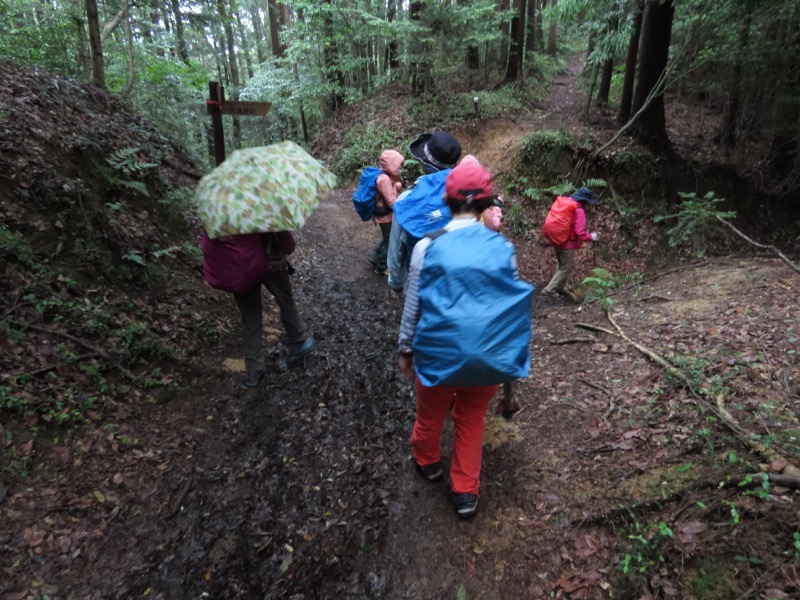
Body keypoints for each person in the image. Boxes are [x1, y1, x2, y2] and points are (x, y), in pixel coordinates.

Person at [397, 161, 524, 519]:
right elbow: (509, 313)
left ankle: (428, 461)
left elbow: (413, 306)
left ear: (447, 199)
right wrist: (510, 374)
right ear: (487, 204)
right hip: (486, 358)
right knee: (471, 419)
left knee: (431, 414)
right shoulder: (503, 250)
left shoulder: (426, 247)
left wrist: (406, 349)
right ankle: (465, 493)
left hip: (436, 355)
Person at [232, 232, 314, 387]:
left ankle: (254, 371)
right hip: (272, 264)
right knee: (286, 302)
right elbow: (288, 246)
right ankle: (299, 339)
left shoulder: (222, 216)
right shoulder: (265, 210)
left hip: (240, 268)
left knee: (250, 319)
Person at [387, 131, 462, 293]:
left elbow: (396, 250)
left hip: (419, 285)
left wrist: (395, 281)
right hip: (456, 286)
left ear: (424, 163)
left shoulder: (406, 201)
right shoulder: (467, 196)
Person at [540, 187, 599, 296]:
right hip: (567, 242)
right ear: (585, 201)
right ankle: (549, 289)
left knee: (561, 265)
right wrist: (591, 237)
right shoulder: (578, 210)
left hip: (555, 238)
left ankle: (559, 287)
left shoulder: (564, 203)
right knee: (565, 268)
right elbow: (580, 232)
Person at [367, 149, 405, 275]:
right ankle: (381, 266)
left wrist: (400, 185)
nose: (400, 169)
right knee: (389, 241)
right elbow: (391, 200)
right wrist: (404, 204)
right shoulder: (384, 179)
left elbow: (391, 188)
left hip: (385, 214)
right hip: (384, 216)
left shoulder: (386, 177)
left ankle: (373, 257)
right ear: (391, 165)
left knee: (386, 237)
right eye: (399, 166)